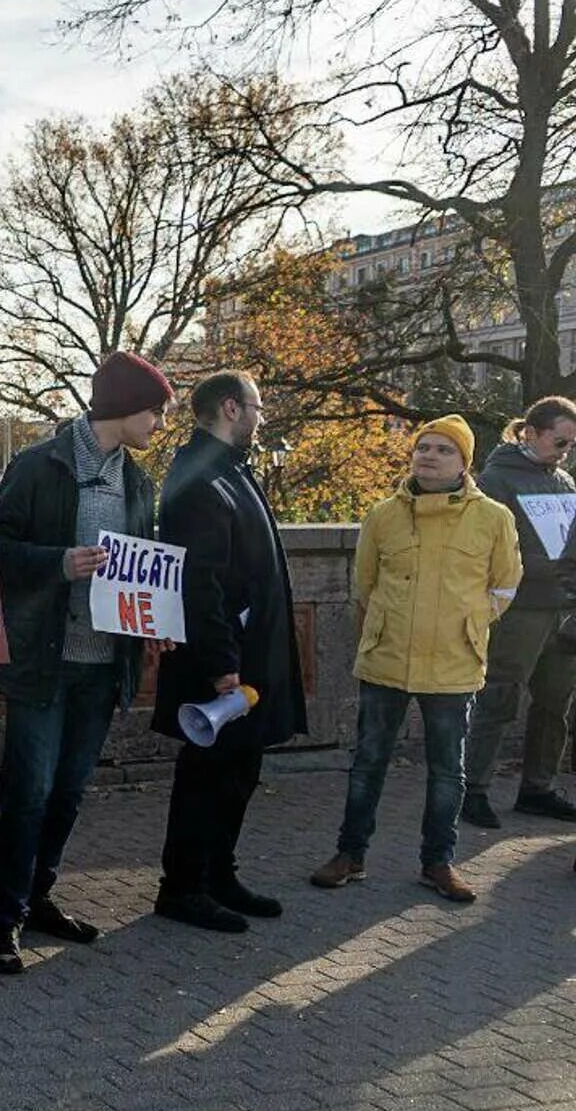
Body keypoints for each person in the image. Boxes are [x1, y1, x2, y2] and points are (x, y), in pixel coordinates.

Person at [0, 351, 173, 974]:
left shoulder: (137, 482)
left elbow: (143, 563)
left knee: (69, 791)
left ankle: (40, 900)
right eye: (155, 412)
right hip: (44, 658)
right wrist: (59, 563)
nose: (158, 426)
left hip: (101, 664)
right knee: (30, 793)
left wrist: (151, 625)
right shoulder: (39, 465)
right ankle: (2, 920)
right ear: (124, 407)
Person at [311, 417, 520, 901]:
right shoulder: (383, 515)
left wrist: (469, 620)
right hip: (387, 659)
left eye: (443, 450)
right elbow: (364, 584)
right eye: (422, 447)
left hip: (454, 663)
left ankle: (438, 862)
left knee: (449, 769)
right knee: (368, 762)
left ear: (464, 462)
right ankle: (350, 854)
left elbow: (505, 584)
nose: (428, 455)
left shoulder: (493, 518)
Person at [151, 372, 309, 934]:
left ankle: (219, 872)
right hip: (221, 665)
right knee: (208, 776)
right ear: (229, 408)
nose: (261, 417)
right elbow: (201, 583)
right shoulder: (200, 478)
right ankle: (184, 886)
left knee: (240, 771)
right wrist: (222, 668)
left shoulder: (225, 469)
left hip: (245, 658)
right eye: (257, 407)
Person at [461, 396, 576, 827]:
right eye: (560, 442)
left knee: (555, 702)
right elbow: (486, 548)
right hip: (522, 608)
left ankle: (538, 787)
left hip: (563, 607)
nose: (565, 452)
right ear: (531, 432)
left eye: (571, 445)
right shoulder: (497, 480)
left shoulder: (564, 480)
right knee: (499, 697)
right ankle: (472, 789)